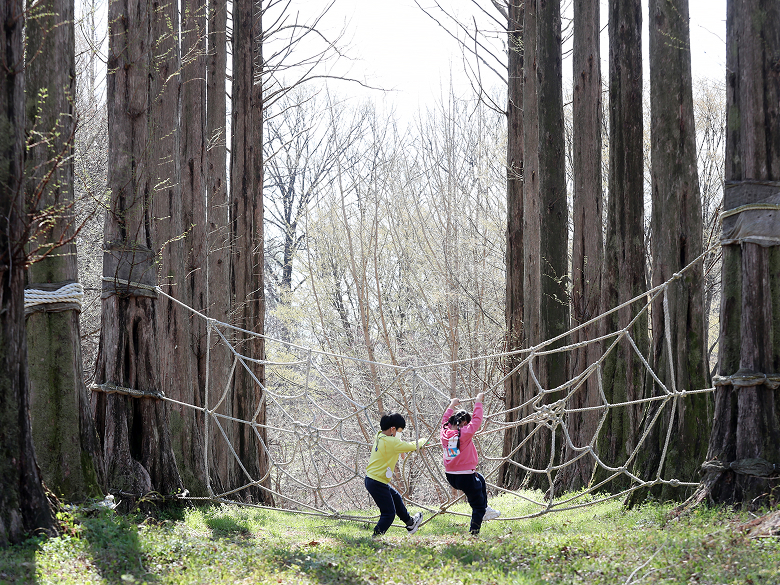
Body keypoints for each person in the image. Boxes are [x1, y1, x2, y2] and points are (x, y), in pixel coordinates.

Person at [440, 392, 500, 536]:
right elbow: (477, 421)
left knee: (481, 478)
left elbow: (443, 421)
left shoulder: (444, 432)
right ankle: (474, 533)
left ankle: (485, 509)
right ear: (465, 423)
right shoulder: (464, 433)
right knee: (477, 506)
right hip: (465, 476)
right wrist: (478, 401)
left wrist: (451, 405)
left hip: (451, 476)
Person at [364, 412, 425, 537]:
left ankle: (411, 523)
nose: (399, 435)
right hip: (377, 482)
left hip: (372, 480)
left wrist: (397, 436)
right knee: (388, 513)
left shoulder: (379, 436)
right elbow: (413, 446)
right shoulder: (391, 442)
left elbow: (397, 444)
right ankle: (375, 537)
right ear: (392, 429)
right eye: (399, 432)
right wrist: (425, 440)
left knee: (396, 497)